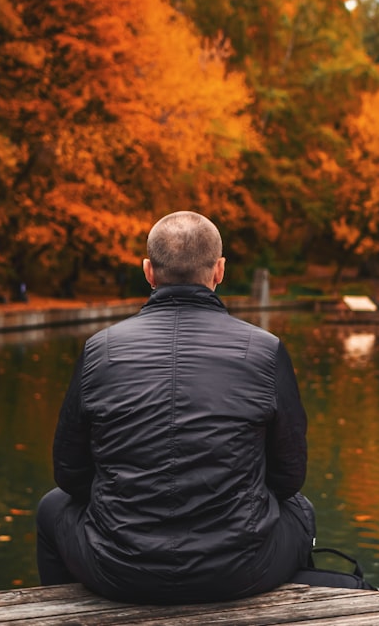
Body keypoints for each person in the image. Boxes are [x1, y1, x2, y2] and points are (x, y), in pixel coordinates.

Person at [36, 210, 315, 604]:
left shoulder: (101, 350)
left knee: (52, 507)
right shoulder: (264, 351)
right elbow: (289, 478)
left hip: (118, 569)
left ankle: (64, 614)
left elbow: (70, 474)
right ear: (219, 271)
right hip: (238, 570)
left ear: (148, 271)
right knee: (301, 510)